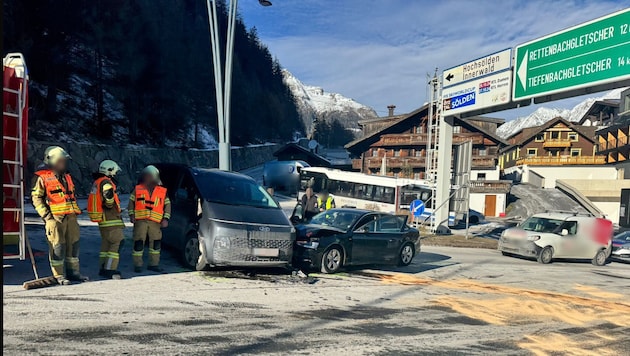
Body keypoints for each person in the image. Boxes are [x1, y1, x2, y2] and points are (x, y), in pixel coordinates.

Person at [31, 146, 87, 285]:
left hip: (71, 217)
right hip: (55, 219)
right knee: (58, 247)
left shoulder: (67, 176)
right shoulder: (41, 177)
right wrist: (47, 216)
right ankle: (59, 275)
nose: (63, 163)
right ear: (52, 161)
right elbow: (36, 198)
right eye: (60, 161)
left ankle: (73, 273)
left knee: (73, 246)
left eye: (64, 161)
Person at [128, 165, 171, 273]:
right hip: (140, 221)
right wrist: (131, 215)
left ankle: (154, 264)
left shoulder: (162, 191)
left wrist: (165, 218)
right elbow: (131, 203)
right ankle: (137, 265)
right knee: (138, 243)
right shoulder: (137, 189)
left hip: (156, 222)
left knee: (156, 244)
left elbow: (167, 205)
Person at [88, 160, 125, 279]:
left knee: (106, 244)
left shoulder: (97, 182)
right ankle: (110, 269)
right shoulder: (106, 182)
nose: (115, 174)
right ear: (109, 170)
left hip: (102, 219)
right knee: (117, 242)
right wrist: (110, 205)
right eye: (114, 172)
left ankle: (103, 267)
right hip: (110, 218)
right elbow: (108, 195)